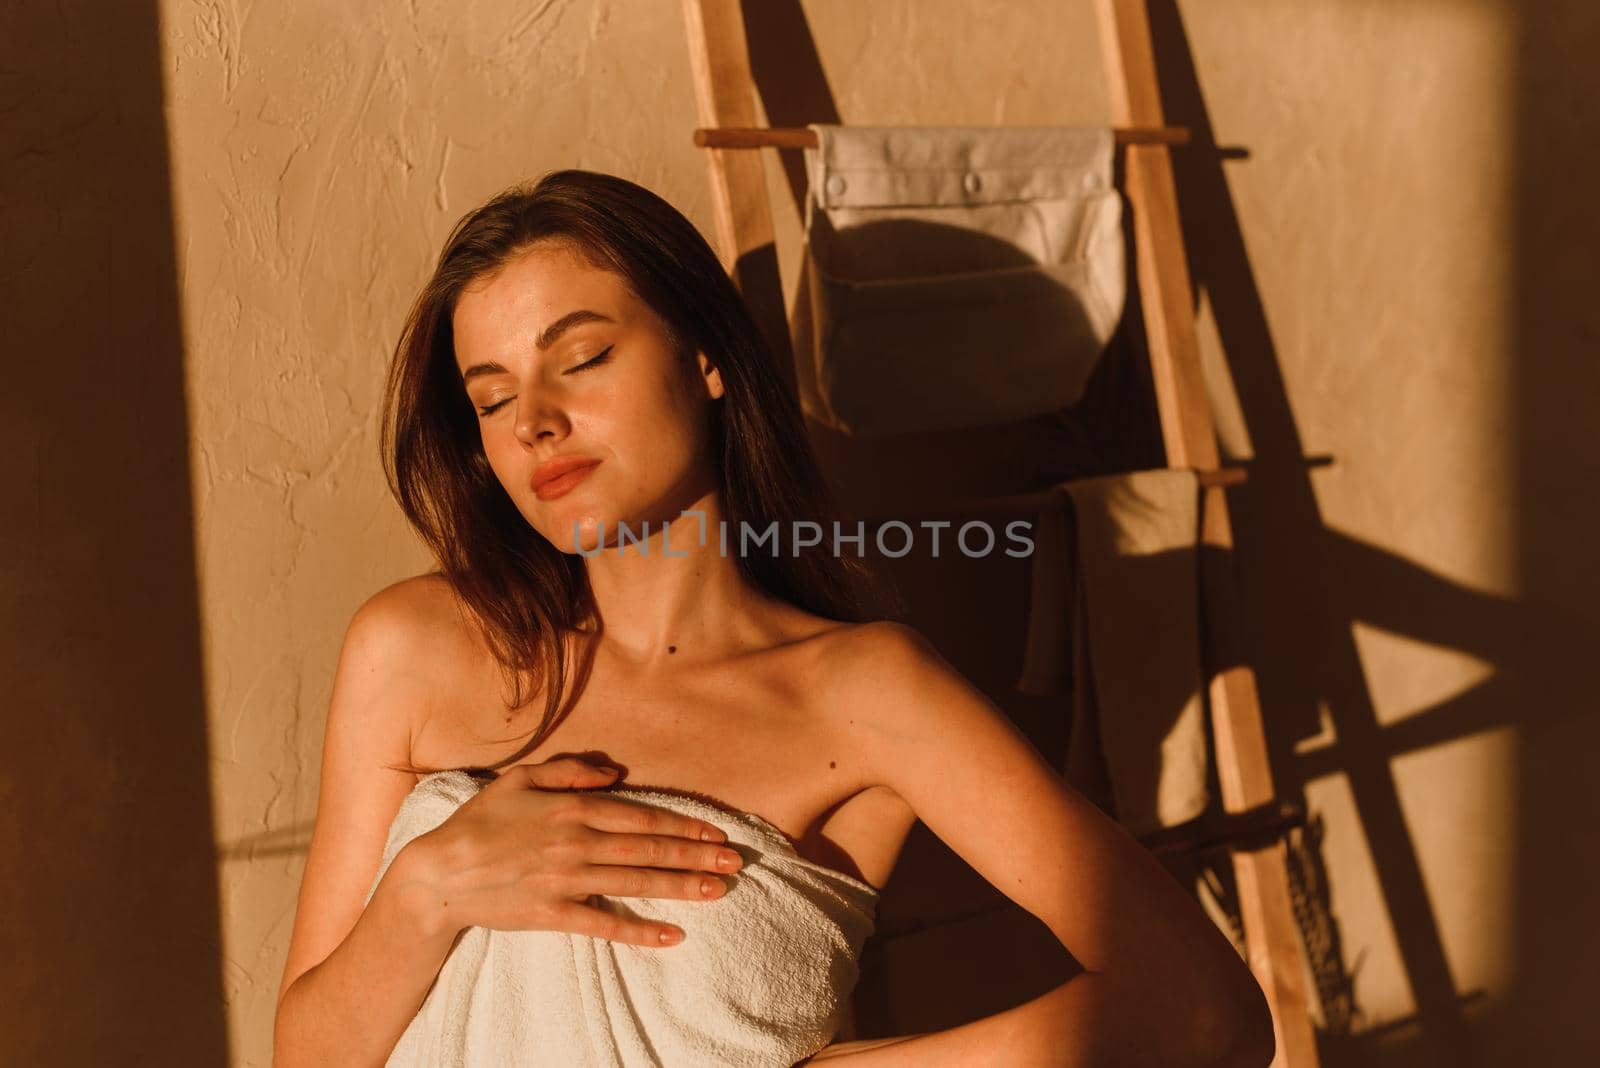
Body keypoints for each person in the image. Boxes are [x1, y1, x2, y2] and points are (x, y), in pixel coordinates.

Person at [271, 169, 1275, 1067]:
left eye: (578, 360)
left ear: (706, 360)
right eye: (491, 399)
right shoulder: (411, 651)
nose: (532, 418)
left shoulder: (862, 693)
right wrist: (428, 890)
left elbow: (1201, 1013)